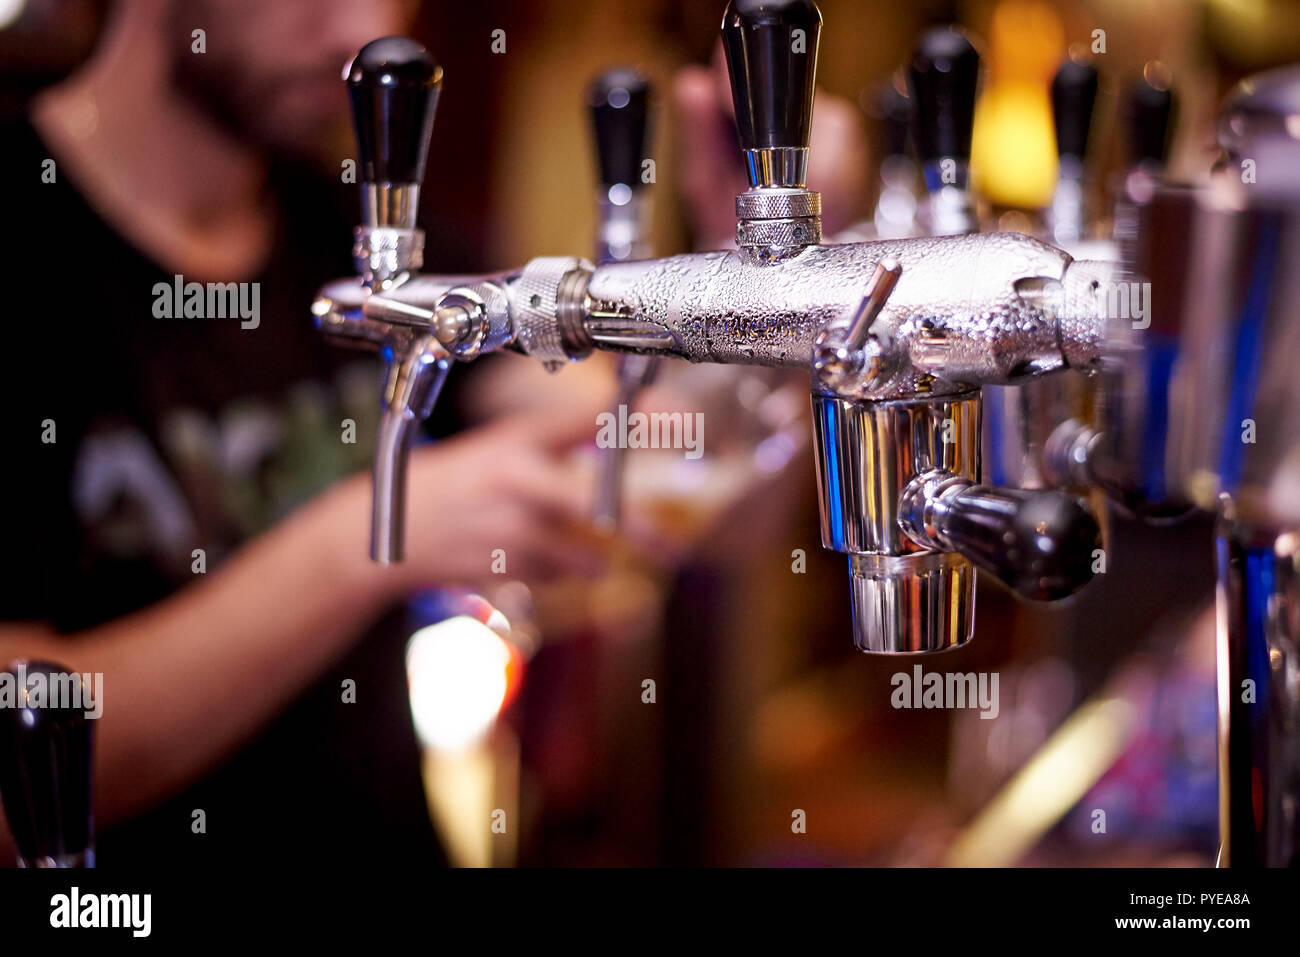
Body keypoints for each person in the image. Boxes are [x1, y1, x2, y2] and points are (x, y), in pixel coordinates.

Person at [0, 0, 607, 866]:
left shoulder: (350, 225)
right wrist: (370, 537)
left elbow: (609, 430)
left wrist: (763, 308)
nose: (360, 32)